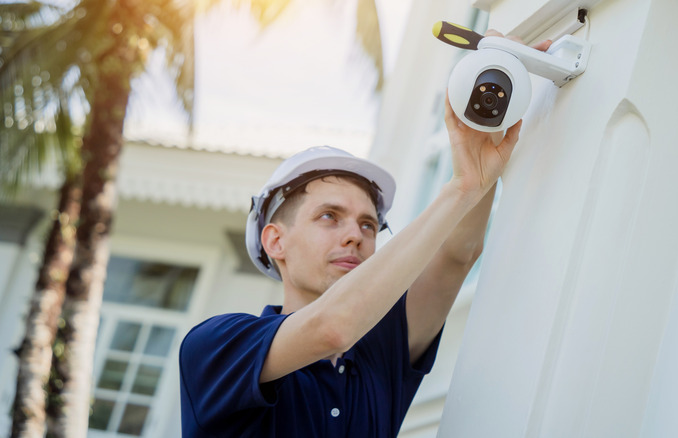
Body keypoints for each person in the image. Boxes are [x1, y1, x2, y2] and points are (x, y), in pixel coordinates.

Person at [179, 31, 551, 438]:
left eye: (369, 224)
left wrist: (484, 144)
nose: (355, 235)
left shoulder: (380, 353)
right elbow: (332, 327)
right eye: (328, 216)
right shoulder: (218, 347)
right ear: (275, 241)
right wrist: (459, 188)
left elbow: (457, 256)